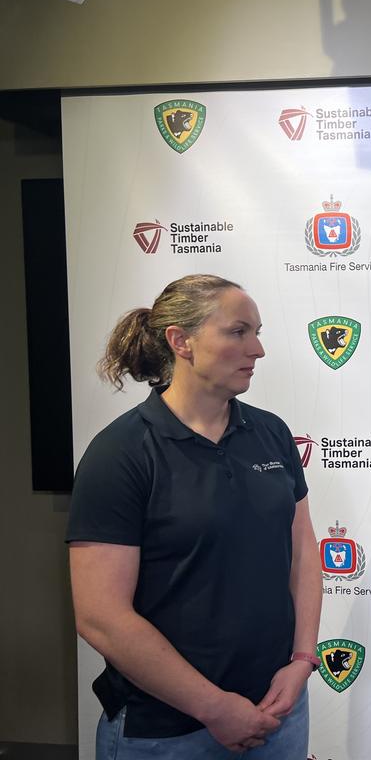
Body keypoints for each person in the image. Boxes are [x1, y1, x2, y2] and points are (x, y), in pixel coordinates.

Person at [67, 274, 323, 759]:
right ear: (180, 341)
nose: (258, 349)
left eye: (258, 332)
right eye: (238, 331)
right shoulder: (120, 453)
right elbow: (101, 616)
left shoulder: (271, 434)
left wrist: (302, 661)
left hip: (278, 714)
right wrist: (214, 707)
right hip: (165, 731)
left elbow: (303, 555)